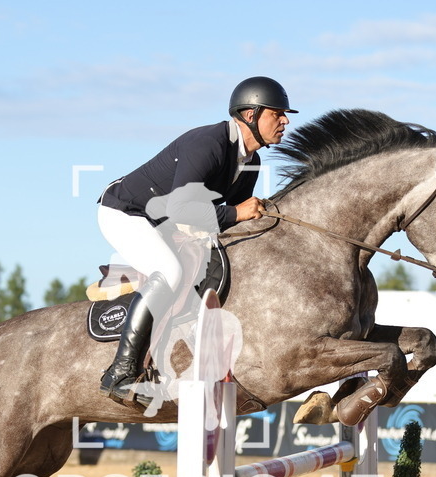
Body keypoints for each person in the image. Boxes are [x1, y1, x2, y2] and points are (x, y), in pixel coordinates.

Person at [97, 76, 297, 406]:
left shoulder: (253, 161)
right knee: (170, 272)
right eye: (277, 113)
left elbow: (226, 223)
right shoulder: (209, 143)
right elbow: (185, 209)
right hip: (126, 212)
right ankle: (120, 372)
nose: (285, 120)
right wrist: (235, 213)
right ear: (250, 114)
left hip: (168, 221)